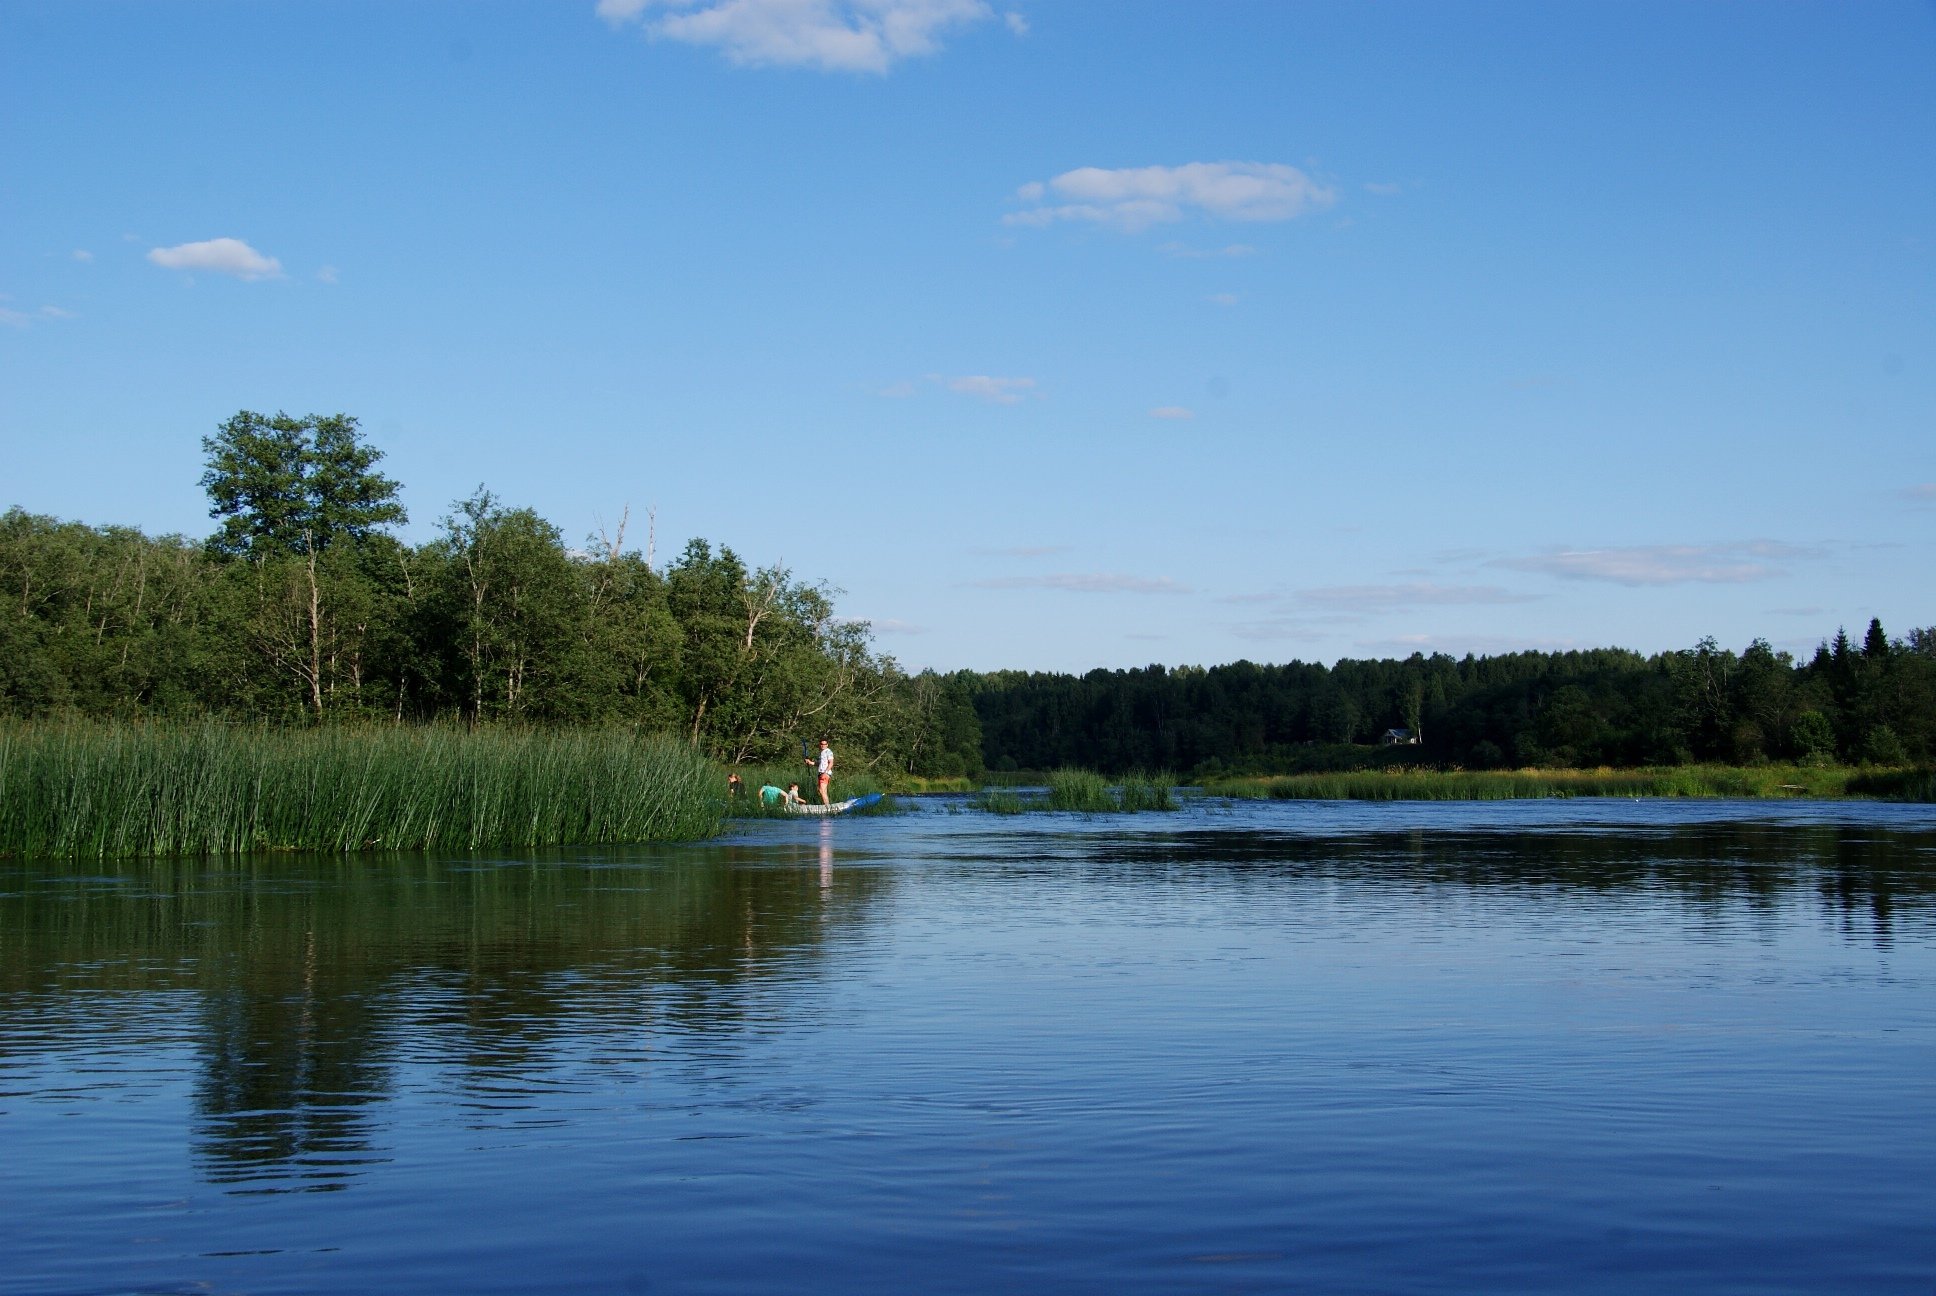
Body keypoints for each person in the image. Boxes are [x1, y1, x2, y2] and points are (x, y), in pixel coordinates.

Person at [812, 738, 834, 806]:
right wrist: (810, 762)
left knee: (822, 791)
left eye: (824, 744)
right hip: (820, 774)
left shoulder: (828, 751)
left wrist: (825, 772)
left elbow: (831, 763)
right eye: (821, 744)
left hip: (825, 774)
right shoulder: (821, 753)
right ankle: (826, 805)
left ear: (827, 745)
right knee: (821, 791)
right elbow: (819, 764)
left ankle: (827, 807)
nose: (823, 745)